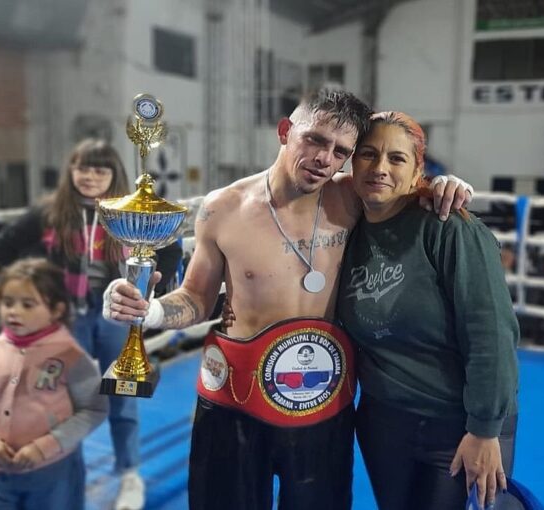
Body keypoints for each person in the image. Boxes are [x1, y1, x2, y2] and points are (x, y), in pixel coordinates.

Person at [102, 88, 472, 510]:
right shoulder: (222, 207)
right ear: (285, 132)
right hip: (233, 399)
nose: (324, 159)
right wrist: (148, 310)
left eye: (340, 151)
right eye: (314, 140)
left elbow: (407, 185)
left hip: (320, 400)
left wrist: (444, 185)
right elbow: (198, 299)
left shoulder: (352, 197)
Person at [335, 111, 519, 510]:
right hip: (384, 420)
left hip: (459, 425)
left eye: (397, 158)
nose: (380, 168)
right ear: (352, 163)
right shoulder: (347, 228)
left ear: (419, 168)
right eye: (368, 154)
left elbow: (491, 333)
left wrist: (485, 430)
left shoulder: (447, 226)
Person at [0, 138, 182, 510]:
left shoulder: (128, 209)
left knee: (122, 395)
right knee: (59, 400)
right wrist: (27, 294)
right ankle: (64, 478)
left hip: (114, 314)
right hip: (65, 317)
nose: (90, 176)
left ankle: (129, 474)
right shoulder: (49, 212)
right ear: (70, 171)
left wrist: (150, 292)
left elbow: (170, 248)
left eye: (100, 169)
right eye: (83, 168)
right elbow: (3, 247)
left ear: (114, 173)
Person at [0, 258, 107, 509]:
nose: (14, 311)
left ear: (56, 310)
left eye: (28, 304)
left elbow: (94, 408)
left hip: (53, 474)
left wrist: (45, 446)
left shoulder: (70, 356)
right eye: (7, 303)